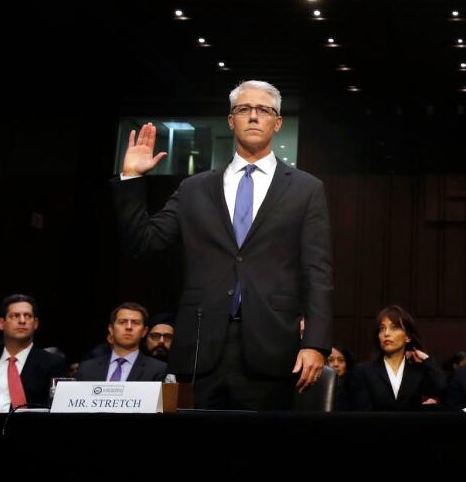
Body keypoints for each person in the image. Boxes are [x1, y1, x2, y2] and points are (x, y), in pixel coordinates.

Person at [111, 80, 333, 409]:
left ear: (278, 122)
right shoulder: (195, 188)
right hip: (199, 347)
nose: (253, 116)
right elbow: (142, 241)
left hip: (272, 347)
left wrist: (316, 343)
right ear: (231, 121)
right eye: (244, 109)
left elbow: (318, 272)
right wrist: (131, 178)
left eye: (264, 110)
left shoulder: (306, 189)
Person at [0, 295, 68, 412]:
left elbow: (58, 409)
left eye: (28, 316)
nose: (22, 320)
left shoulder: (52, 364)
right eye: (15, 316)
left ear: (35, 324)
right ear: (1, 323)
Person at [349, 306, 445, 411]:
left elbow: (441, 391)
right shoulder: (363, 371)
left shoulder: (419, 371)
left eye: (394, 328)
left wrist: (427, 360)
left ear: (407, 337)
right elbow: (362, 413)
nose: (386, 333)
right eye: (382, 329)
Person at [75, 302, 167, 382]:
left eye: (135, 323)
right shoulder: (87, 368)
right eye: (122, 322)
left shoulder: (158, 370)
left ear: (144, 332)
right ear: (111, 329)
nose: (129, 327)